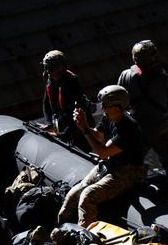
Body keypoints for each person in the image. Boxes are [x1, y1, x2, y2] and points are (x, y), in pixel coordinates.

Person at [56, 84, 146, 227]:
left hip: (127, 171)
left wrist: (84, 129)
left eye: (105, 105)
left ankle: (83, 234)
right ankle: (62, 224)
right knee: (75, 192)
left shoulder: (128, 129)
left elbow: (103, 152)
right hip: (110, 165)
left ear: (116, 108)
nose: (102, 108)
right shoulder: (109, 117)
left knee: (88, 195)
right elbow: (99, 136)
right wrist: (83, 122)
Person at [117, 40, 168, 202]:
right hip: (161, 129)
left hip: (136, 129)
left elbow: (120, 101)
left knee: (134, 162)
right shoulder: (162, 78)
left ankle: (132, 192)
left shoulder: (125, 75)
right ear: (152, 57)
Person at [41, 49, 93, 150]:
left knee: (83, 151)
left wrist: (64, 134)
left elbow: (76, 114)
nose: (48, 72)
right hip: (62, 123)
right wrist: (49, 123)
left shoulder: (72, 83)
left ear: (61, 67)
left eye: (50, 68)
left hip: (77, 127)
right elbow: (46, 103)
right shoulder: (50, 81)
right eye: (46, 68)